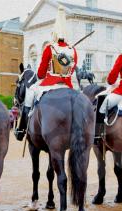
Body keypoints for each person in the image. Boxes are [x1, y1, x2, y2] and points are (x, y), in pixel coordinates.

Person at [15, 6, 77, 140]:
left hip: (50, 84)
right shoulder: (72, 50)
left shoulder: (50, 48)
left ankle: (22, 129)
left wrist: (48, 72)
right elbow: (71, 70)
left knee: (29, 95)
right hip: (67, 85)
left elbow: (41, 73)